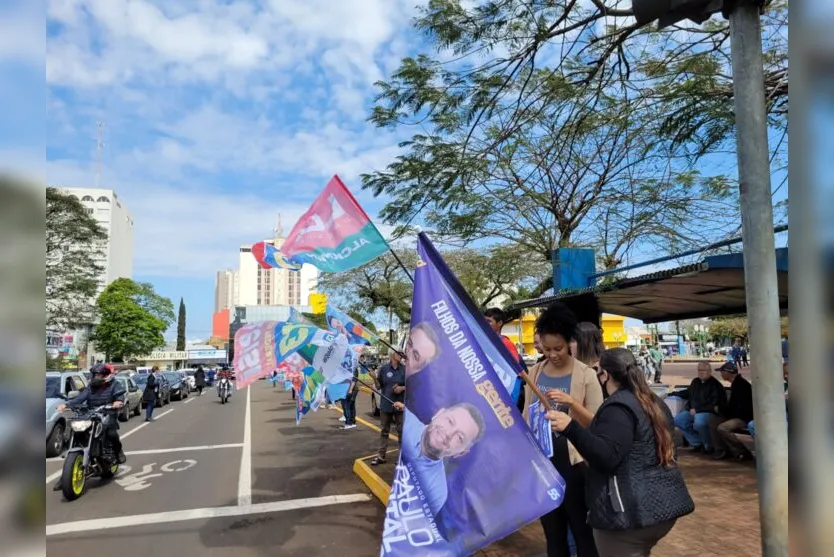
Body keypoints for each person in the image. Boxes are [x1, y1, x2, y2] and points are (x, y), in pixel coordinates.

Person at [548, 348, 695, 557]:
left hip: (628, 516)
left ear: (605, 374)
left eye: (598, 372)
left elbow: (606, 457)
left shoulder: (618, 407)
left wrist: (570, 427)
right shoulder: (653, 401)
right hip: (661, 509)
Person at [522, 302, 603, 557]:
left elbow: (597, 424)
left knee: (582, 531)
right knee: (553, 533)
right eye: (547, 349)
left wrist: (571, 403)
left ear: (570, 342)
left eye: (558, 348)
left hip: (575, 467)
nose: (553, 354)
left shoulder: (585, 375)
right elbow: (526, 416)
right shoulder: (534, 373)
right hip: (544, 466)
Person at [393, 401, 486, 516]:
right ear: (438, 414)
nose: (448, 433)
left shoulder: (436, 492)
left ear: (461, 453)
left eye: (459, 438)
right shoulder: (406, 421)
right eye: (450, 421)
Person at [54, 363, 127, 490]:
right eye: (96, 374)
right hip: (90, 414)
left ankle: (118, 452)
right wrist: (67, 405)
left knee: (111, 433)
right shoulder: (91, 387)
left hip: (107, 413)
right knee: (76, 433)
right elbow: (80, 398)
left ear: (107, 375)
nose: (97, 377)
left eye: (100, 374)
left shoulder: (115, 385)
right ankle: (65, 476)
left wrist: (117, 402)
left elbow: (119, 396)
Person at [672, 362, 726, 453]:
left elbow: (713, 403)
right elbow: (687, 392)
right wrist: (671, 394)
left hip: (709, 412)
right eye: (699, 370)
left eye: (704, 370)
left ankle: (708, 446)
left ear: (709, 371)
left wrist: (697, 410)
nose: (701, 372)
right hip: (693, 411)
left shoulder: (715, 384)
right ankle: (697, 443)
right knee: (678, 420)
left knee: (699, 422)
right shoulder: (695, 382)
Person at [709, 362, 755, 461]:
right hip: (736, 415)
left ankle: (741, 451)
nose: (721, 374)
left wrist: (720, 409)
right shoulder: (736, 383)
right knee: (713, 422)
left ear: (729, 373)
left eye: (722, 371)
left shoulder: (741, 385)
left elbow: (737, 408)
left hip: (744, 418)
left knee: (723, 428)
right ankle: (722, 450)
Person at [484, 307, 527, 411]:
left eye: (489, 321)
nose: (485, 324)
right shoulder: (485, 341)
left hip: (506, 395)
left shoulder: (506, 344)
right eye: (484, 321)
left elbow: (515, 372)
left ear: (499, 323)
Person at [370, 349, 405, 466]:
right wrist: (374, 378)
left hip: (400, 404)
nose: (401, 355)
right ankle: (381, 455)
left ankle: (401, 457)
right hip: (386, 404)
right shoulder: (384, 369)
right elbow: (379, 387)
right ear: (392, 355)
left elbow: (412, 384)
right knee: (384, 431)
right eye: (398, 353)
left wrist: (402, 388)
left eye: (401, 353)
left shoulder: (405, 369)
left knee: (401, 431)